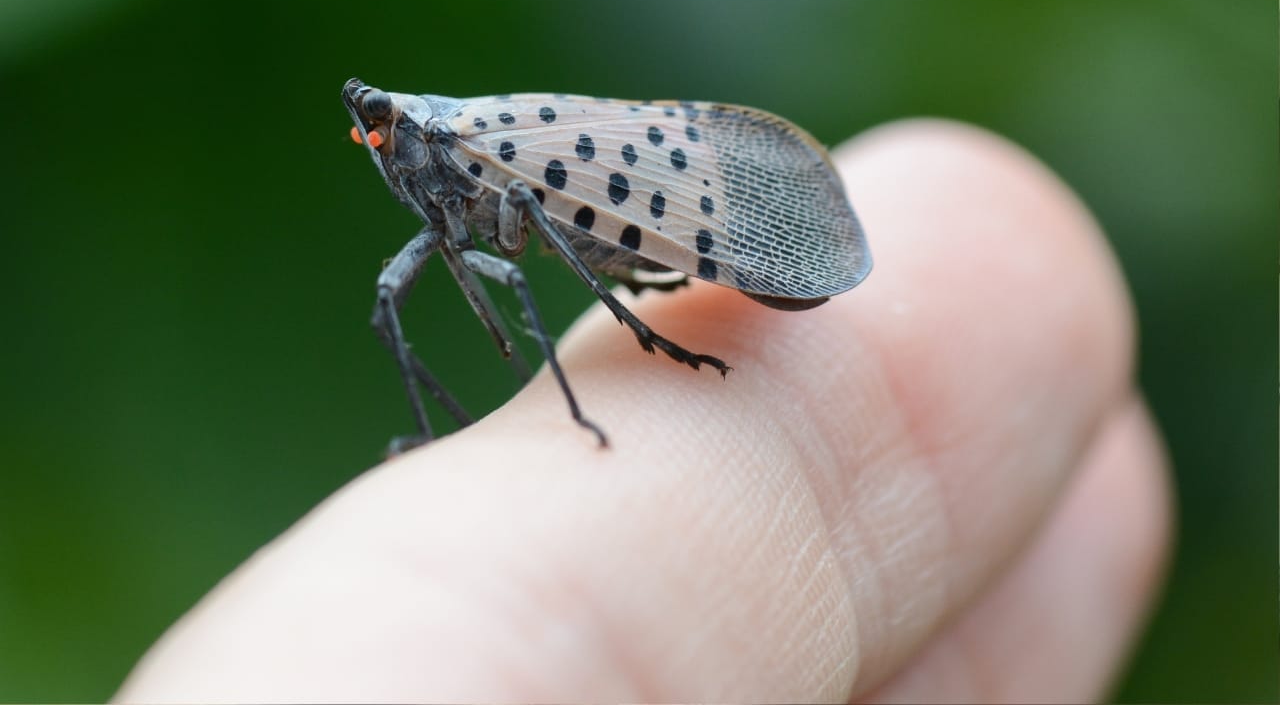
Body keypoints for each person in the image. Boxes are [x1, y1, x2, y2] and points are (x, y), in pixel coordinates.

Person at [114, 120, 1170, 703]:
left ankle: (638, 342)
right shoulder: (423, 178)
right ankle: (433, 442)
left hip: (596, 202)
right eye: (375, 146)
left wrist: (642, 346)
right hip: (551, 232)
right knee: (390, 295)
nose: (384, 153)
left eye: (387, 140)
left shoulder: (460, 147)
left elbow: (516, 257)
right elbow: (479, 269)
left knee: (501, 249)